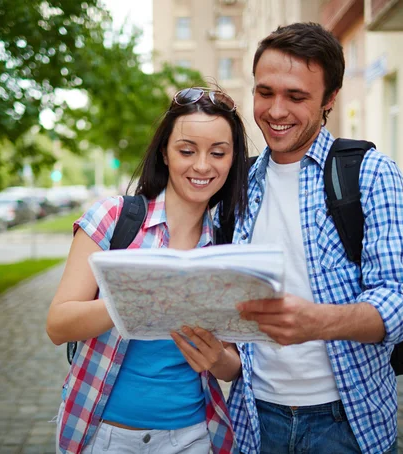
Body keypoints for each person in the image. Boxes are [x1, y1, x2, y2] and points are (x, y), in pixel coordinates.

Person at [222, 22, 403, 454]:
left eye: (296, 97)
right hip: (254, 419)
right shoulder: (239, 183)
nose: (275, 111)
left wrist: (319, 321)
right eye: (265, 92)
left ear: (330, 98)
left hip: (346, 422)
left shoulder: (372, 174)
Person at [46, 86, 250, 454]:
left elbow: (234, 365)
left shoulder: (229, 244)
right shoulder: (113, 219)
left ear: (233, 160)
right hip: (103, 434)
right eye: (187, 150)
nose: (202, 165)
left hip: (193, 436)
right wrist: (138, 297)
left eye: (218, 153)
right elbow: (58, 325)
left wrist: (217, 359)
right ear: (165, 153)